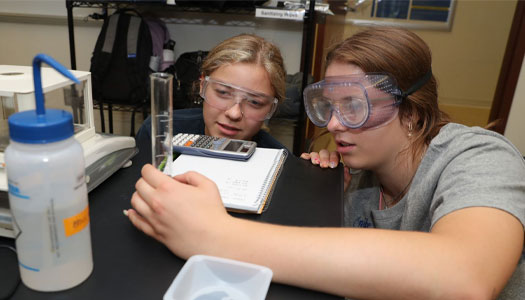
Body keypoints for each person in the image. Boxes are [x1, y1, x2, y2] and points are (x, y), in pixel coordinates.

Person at [126, 27, 525, 299]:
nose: (334, 124)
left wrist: (215, 235)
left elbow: (467, 278)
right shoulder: (352, 179)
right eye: (329, 107)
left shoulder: (480, 155)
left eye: (354, 106)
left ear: (412, 109)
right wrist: (328, 191)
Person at [134, 33, 288, 166]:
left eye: (255, 102)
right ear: (202, 85)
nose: (234, 114)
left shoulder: (278, 160)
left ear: (270, 108)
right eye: (223, 92)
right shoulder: (160, 131)